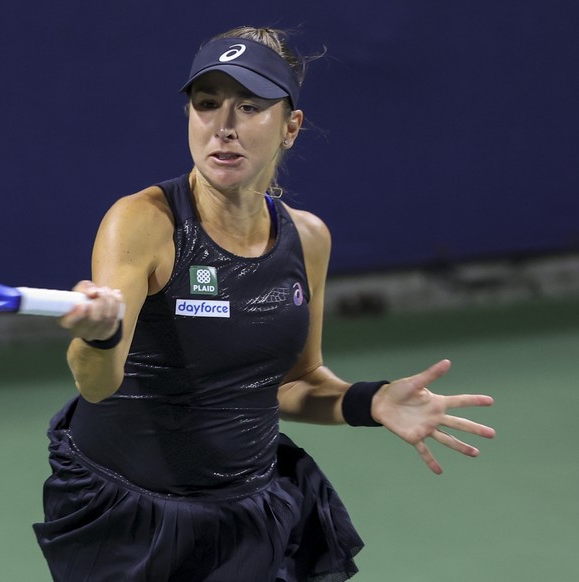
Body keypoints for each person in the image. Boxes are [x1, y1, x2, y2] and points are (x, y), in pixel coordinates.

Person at [32, 26, 496, 582]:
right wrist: (99, 334)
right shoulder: (142, 222)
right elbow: (97, 383)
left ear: (290, 127)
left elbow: (292, 383)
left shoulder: (308, 239)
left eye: (250, 107)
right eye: (207, 105)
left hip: (251, 515)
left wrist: (369, 403)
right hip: (133, 522)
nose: (223, 127)